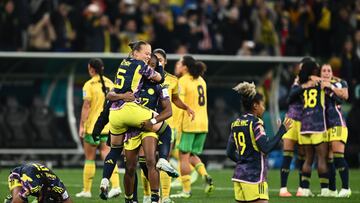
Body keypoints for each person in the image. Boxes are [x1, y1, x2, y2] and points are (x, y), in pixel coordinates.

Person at [101, 40, 164, 203]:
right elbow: (160, 77)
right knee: (131, 166)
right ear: (135, 53)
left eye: (151, 55)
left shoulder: (124, 64)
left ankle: (105, 180)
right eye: (146, 53)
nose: (148, 57)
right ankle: (132, 198)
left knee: (135, 158)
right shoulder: (142, 67)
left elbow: (109, 95)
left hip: (116, 114)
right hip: (132, 115)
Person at [226, 81, 292, 203]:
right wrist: (281, 131)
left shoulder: (235, 123)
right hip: (254, 177)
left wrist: (243, 161)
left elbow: (229, 152)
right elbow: (265, 148)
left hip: (239, 177)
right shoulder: (256, 123)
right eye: (263, 104)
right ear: (255, 105)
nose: (264, 107)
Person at [152, 48, 195, 203]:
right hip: (148, 125)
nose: (157, 63)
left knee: (164, 161)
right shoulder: (144, 77)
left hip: (166, 127)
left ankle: (165, 197)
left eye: (160, 60)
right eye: (155, 60)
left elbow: (175, 99)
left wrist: (187, 107)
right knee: (148, 161)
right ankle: (148, 196)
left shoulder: (172, 80)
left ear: (165, 62)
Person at [76, 58, 121, 198]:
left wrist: (82, 125)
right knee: (108, 155)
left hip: (92, 128)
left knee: (89, 158)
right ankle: (116, 186)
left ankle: (87, 191)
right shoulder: (110, 83)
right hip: (108, 126)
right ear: (102, 68)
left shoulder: (88, 85)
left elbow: (86, 107)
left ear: (91, 68)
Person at [171, 56, 213, 199]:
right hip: (203, 124)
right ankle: (205, 175)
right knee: (192, 156)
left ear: (185, 67)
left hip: (189, 123)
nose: (176, 65)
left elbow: (179, 104)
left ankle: (186, 191)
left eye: (179, 63)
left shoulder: (182, 81)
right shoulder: (201, 80)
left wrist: (174, 124)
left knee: (183, 157)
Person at [279, 57, 313, 197]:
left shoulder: (313, 80)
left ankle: (301, 188)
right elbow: (289, 97)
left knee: (301, 156)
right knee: (289, 154)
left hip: (303, 120)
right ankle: (284, 189)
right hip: (294, 119)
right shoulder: (299, 80)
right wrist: (304, 87)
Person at [297, 60, 329, 197]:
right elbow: (330, 85)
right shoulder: (319, 83)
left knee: (308, 159)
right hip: (318, 124)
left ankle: (304, 189)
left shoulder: (302, 85)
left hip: (305, 125)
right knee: (322, 158)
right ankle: (325, 190)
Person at [320, 64, 351, 197]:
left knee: (338, 156)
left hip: (337, 123)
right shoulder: (316, 84)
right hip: (323, 125)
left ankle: (346, 188)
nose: (326, 73)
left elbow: (345, 96)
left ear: (332, 73)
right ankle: (332, 190)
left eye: (329, 70)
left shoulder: (339, 83)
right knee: (328, 158)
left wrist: (330, 87)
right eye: (324, 70)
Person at [5, 163, 72, 203]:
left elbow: (67, 200)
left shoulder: (59, 187)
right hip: (18, 175)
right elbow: (16, 202)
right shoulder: (33, 186)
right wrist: (23, 193)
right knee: (19, 200)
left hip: (36, 176)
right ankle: (9, 200)